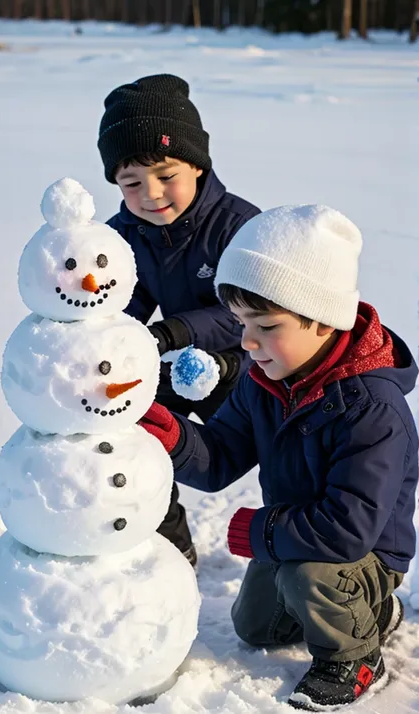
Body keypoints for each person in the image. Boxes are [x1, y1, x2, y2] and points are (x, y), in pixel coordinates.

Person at [139, 204, 418, 710]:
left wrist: (260, 532)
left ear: (323, 321)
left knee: (307, 576)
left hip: (367, 552)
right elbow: (220, 456)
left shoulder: (372, 409)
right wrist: (171, 434)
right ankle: (368, 611)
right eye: (242, 322)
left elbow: (348, 529)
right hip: (297, 534)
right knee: (256, 628)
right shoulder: (264, 382)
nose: (247, 342)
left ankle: (355, 656)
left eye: (265, 326)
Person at [98, 73, 260, 566]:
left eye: (166, 175)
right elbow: (117, 304)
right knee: (130, 426)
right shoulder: (123, 236)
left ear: (196, 165)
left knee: (285, 448)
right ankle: (167, 543)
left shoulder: (238, 224)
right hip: (176, 365)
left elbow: (250, 312)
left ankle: (293, 545)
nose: (151, 193)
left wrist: (174, 331)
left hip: (249, 365)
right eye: (131, 182)